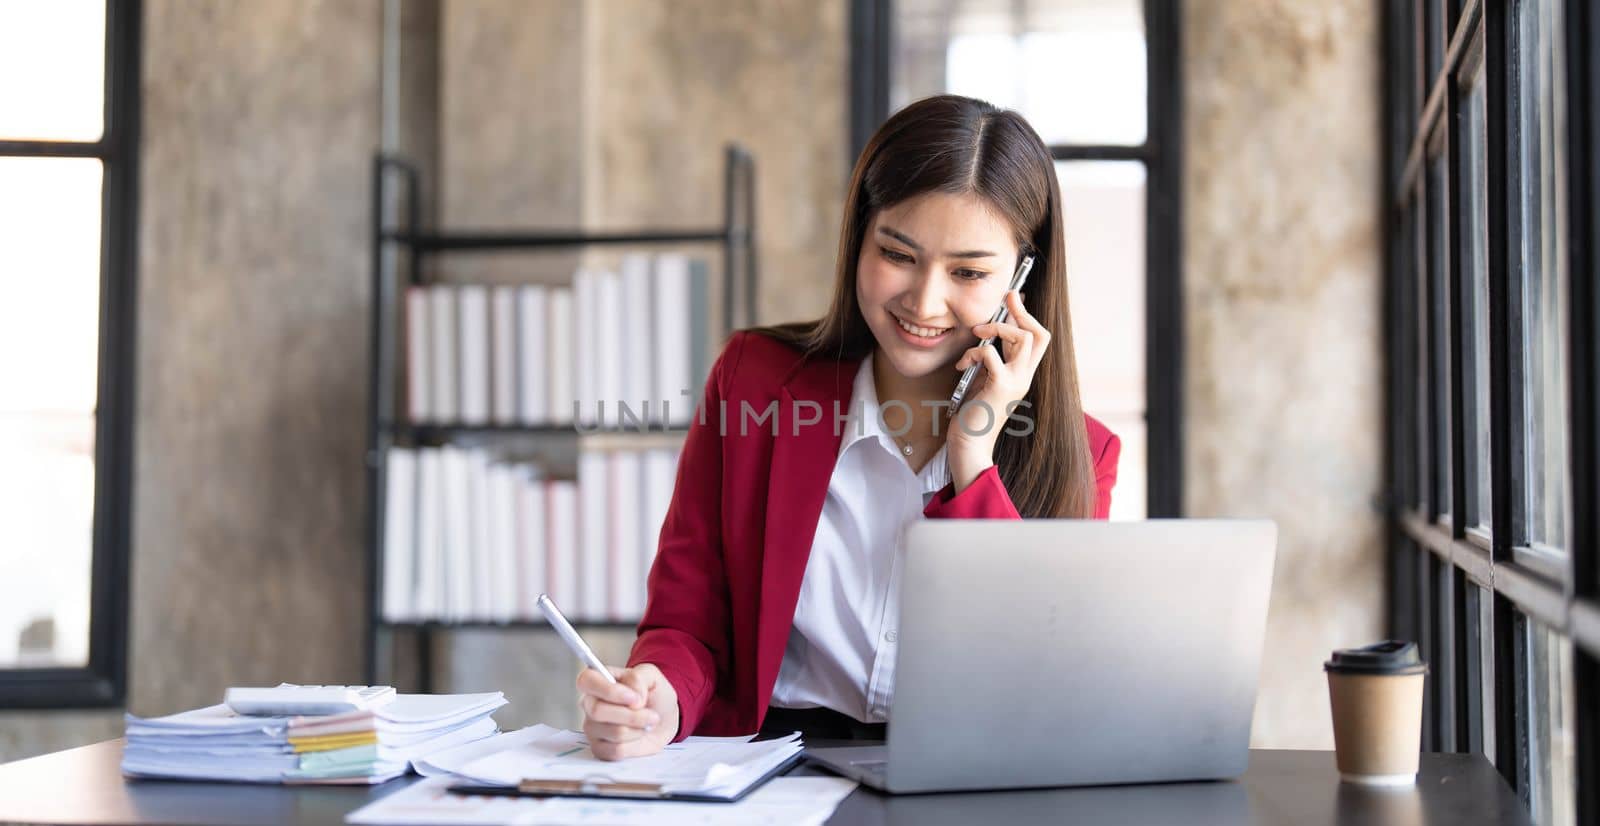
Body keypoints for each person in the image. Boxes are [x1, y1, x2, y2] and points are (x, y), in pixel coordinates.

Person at [578, 94, 1121, 759]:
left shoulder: (1084, 454)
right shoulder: (753, 382)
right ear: (860, 235)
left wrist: (971, 457)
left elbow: (1035, 679)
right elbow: (688, 620)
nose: (924, 302)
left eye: (970, 272)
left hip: (955, 778)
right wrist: (658, 696)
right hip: (772, 768)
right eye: (898, 254)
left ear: (1023, 278)